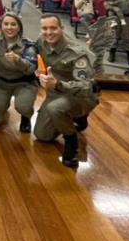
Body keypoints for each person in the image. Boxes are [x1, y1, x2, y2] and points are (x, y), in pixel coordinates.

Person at [34, 14, 100, 168]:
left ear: (62, 29)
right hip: (55, 92)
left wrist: (57, 84)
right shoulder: (41, 41)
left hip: (80, 94)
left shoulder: (76, 52)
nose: (48, 32)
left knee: (54, 108)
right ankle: (77, 118)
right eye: (45, 28)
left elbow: (85, 85)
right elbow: (36, 55)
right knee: (42, 136)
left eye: (53, 28)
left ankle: (71, 142)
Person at [0, 12, 38, 131]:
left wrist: (18, 60)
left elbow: (31, 69)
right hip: (1, 83)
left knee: (23, 106)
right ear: (1, 25)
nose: (9, 27)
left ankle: (26, 117)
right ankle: (2, 103)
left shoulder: (27, 45)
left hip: (23, 83)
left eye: (13, 24)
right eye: (6, 24)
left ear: (19, 27)